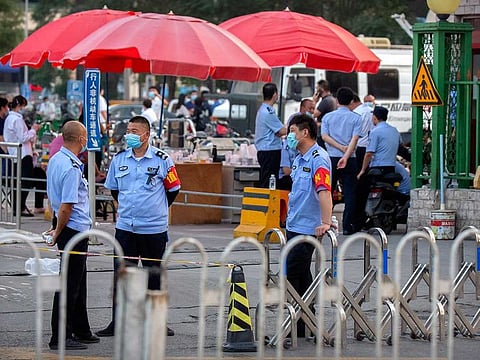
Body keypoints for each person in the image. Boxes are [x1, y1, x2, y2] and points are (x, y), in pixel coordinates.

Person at [97, 115, 180, 337]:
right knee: (123, 276)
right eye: (128, 130)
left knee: (154, 276)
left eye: (134, 131)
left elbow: (173, 190)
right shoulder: (119, 159)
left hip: (153, 229)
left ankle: (156, 322)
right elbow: (114, 190)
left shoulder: (163, 160)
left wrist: (155, 210)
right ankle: (119, 322)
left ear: (146, 134)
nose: (130, 134)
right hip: (126, 228)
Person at [47, 121, 98, 350]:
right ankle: (60, 335)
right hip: (72, 229)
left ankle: (81, 328)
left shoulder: (57, 159)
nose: (86, 140)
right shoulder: (70, 167)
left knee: (79, 281)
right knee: (69, 284)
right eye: (85, 136)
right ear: (80, 139)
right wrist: (58, 231)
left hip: (69, 226)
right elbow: (67, 206)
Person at [285, 113, 333, 337]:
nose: (289, 136)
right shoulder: (298, 158)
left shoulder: (318, 158)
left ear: (305, 132)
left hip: (307, 228)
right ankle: (305, 322)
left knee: (292, 273)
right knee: (302, 275)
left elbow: (324, 192)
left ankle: (297, 321)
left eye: (292, 131)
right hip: (294, 224)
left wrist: (325, 222)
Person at [321, 87, 362, 235]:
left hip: (330, 158)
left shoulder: (327, 118)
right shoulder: (356, 118)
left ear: (337, 100)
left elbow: (324, 136)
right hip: (350, 159)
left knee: (326, 190)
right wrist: (346, 154)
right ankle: (347, 226)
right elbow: (355, 138)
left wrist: (339, 148)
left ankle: (325, 222)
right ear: (352, 101)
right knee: (350, 193)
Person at [356, 106, 402, 227]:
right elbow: (400, 146)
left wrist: (362, 170)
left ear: (375, 118)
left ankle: (362, 220)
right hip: (391, 168)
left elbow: (369, 153)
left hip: (377, 169)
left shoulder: (375, 132)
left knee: (362, 191)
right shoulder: (394, 130)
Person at [3, 95, 40, 217]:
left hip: (15, 153)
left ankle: (18, 207)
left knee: (18, 182)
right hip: (23, 154)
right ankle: (20, 207)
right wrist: (33, 130)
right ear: (20, 105)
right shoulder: (17, 119)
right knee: (25, 182)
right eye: (24, 106)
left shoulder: (9, 118)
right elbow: (23, 137)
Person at [254, 83, 287, 188]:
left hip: (268, 150)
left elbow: (276, 131)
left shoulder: (264, 110)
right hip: (269, 151)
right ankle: (267, 203)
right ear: (274, 94)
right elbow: (281, 131)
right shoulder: (267, 112)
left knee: (270, 179)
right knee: (269, 180)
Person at [279, 98, 316, 191]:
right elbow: (286, 170)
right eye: (291, 131)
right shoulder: (288, 146)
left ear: (305, 132)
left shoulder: (317, 154)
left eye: (293, 131)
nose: (291, 135)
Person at [353, 94, 375, 170]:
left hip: (361, 145)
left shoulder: (357, 111)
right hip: (367, 146)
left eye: (370, 101)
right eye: (367, 101)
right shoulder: (374, 113)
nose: (368, 103)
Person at [313, 80, 337, 148]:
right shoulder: (333, 99)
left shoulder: (326, 101)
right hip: (330, 132)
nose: (316, 91)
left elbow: (314, 114)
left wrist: (314, 101)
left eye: (317, 88)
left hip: (322, 133)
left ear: (322, 89)